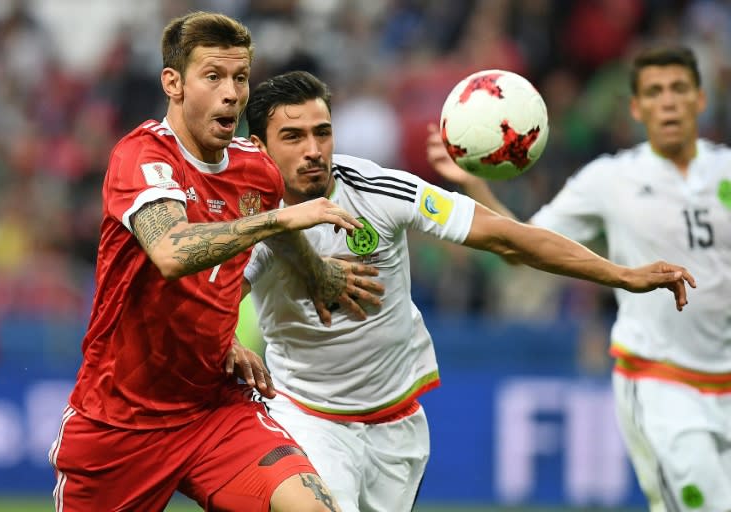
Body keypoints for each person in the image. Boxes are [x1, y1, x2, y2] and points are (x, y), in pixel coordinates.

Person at [241, 70, 696, 512]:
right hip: (302, 414)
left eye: (322, 133)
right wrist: (227, 343)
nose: (314, 150)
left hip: (396, 423)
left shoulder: (377, 191)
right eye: (294, 137)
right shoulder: (254, 222)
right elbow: (200, 300)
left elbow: (504, 236)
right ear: (259, 146)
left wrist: (621, 275)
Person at [48, 12, 385, 512]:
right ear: (174, 83)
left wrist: (317, 273)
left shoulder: (256, 168)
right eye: (214, 77)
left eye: (241, 77)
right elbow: (171, 251)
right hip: (120, 421)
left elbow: (274, 222)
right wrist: (278, 223)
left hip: (214, 411)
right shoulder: (141, 157)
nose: (232, 93)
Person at [429, 45, 731, 512]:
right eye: (654, 92)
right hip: (661, 379)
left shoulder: (726, 169)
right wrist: (474, 184)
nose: (668, 101)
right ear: (636, 107)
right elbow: (525, 247)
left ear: (700, 100)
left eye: (678, 89)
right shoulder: (608, 180)